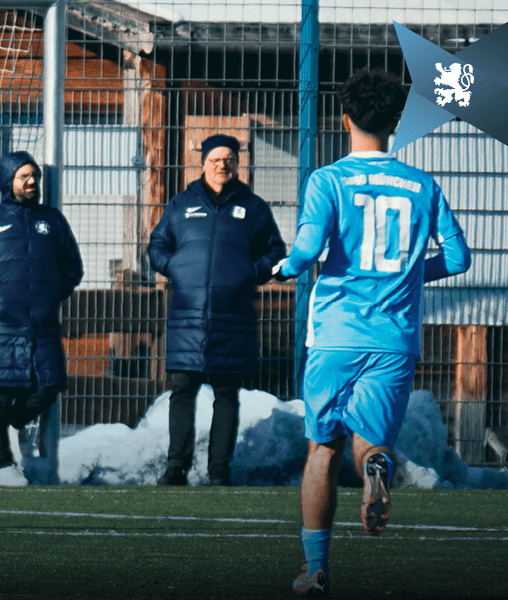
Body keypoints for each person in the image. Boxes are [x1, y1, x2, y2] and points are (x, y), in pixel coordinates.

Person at [274, 69, 471, 597]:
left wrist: (285, 266)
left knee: (322, 448)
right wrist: (406, 274)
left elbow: (308, 248)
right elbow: (458, 257)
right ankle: (377, 468)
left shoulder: (327, 180)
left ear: (344, 120)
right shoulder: (423, 185)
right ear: (396, 123)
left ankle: (315, 569)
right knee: (370, 441)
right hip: (393, 338)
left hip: (335, 334)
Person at [148, 134, 286, 487]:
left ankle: (219, 471)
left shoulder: (253, 208)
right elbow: (157, 245)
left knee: (227, 394)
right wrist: (174, 266)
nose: (221, 165)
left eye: (228, 159)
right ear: (203, 162)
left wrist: (251, 273)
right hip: (187, 315)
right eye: (215, 159)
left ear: (238, 163)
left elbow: (274, 250)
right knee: (183, 390)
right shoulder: (181, 204)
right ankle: (176, 466)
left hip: (233, 316)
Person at [0, 151, 83, 487]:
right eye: (23, 176)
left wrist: (54, 290)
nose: (31, 182)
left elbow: (73, 266)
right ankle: (3, 467)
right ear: (7, 182)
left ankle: (15, 422)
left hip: (41, 326)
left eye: (34, 176)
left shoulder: (52, 221)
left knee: (49, 387)